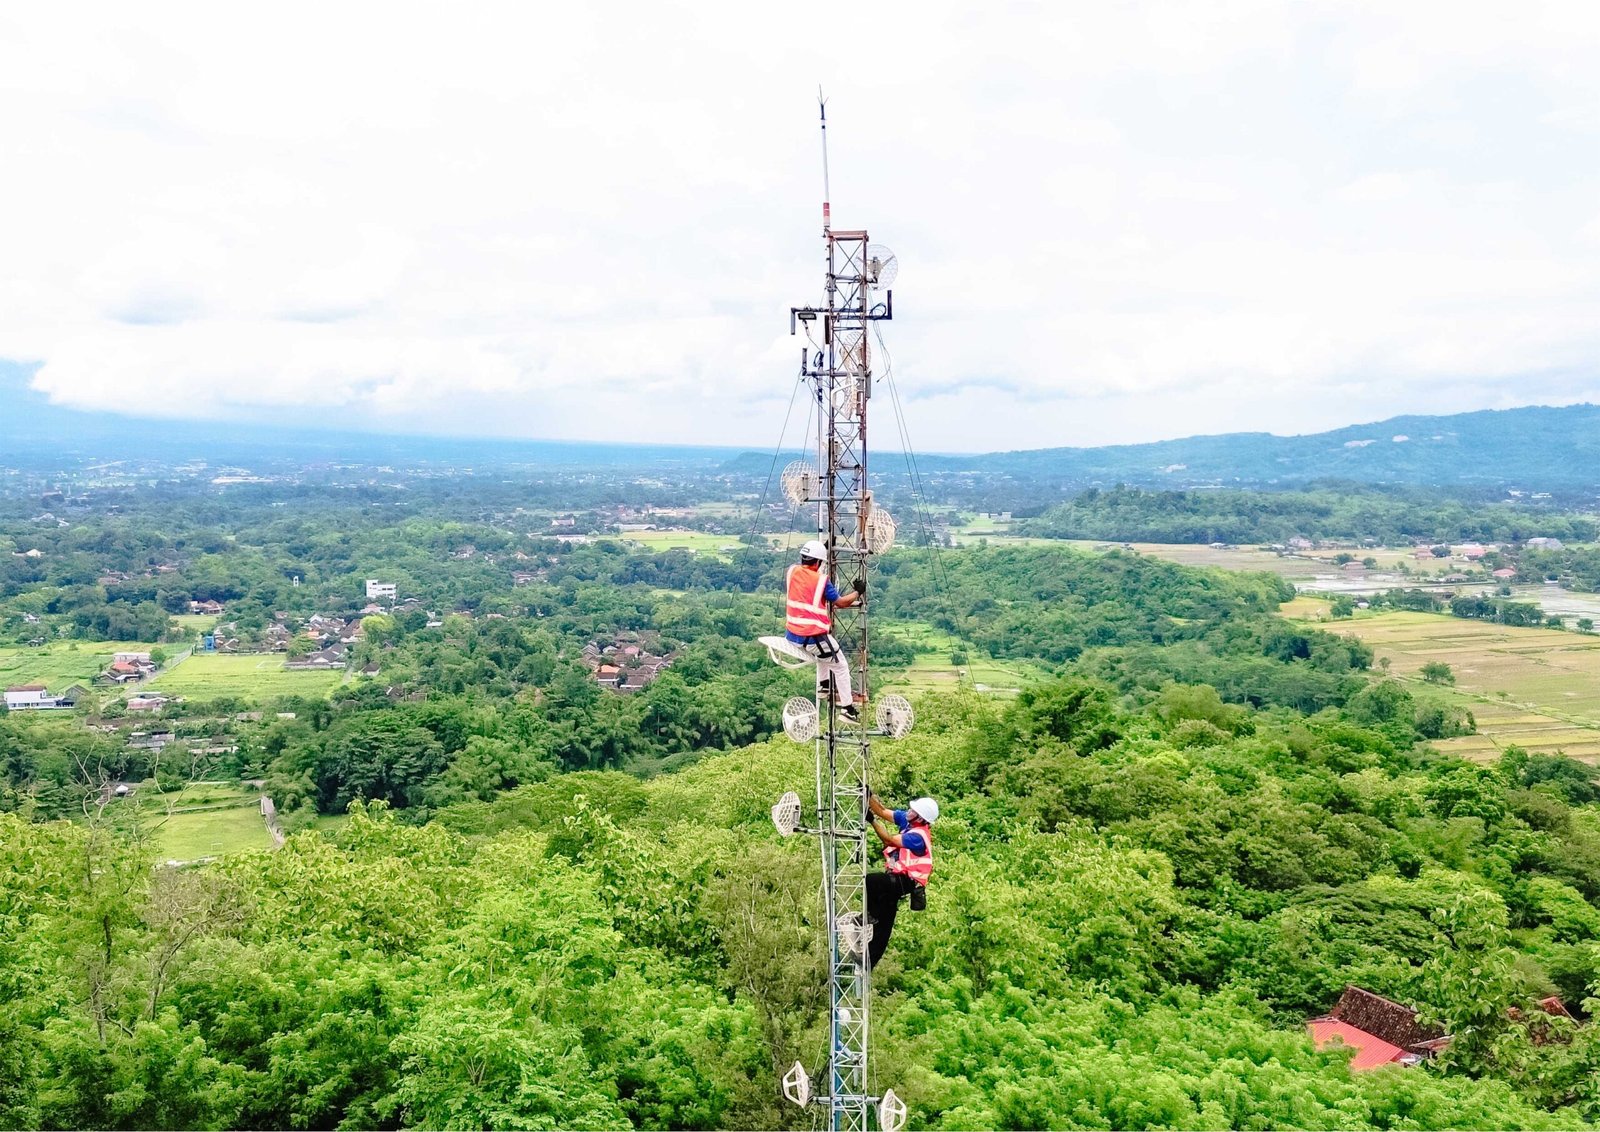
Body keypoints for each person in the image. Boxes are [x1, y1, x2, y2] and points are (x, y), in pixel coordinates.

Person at [784, 539, 865, 722]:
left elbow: (809, 573)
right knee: (840, 664)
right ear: (819, 562)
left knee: (825, 652)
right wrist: (857, 592)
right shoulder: (821, 581)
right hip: (811, 636)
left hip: (793, 636)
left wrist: (822, 550)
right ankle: (847, 709)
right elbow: (842, 602)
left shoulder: (792, 571)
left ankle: (824, 686)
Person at [864, 793, 937, 967]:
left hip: (904, 881)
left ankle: (870, 915)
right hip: (895, 878)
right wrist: (868, 796)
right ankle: (868, 962)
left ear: (920, 818)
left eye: (914, 810)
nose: (909, 811)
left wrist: (872, 821)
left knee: (872, 881)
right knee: (884, 924)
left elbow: (888, 839)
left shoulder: (918, 836)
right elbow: (882, 811)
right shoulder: (909, 820)